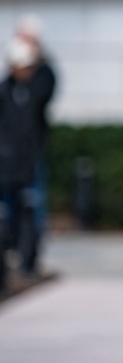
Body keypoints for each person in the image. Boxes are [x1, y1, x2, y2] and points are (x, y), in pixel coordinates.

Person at [0, 37, 51, 283]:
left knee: (30, 213)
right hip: (6, 165)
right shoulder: (4, 91)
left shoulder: (33, 91)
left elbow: (50, 83)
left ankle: (28, 259)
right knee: (6, 217)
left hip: (27, 163)